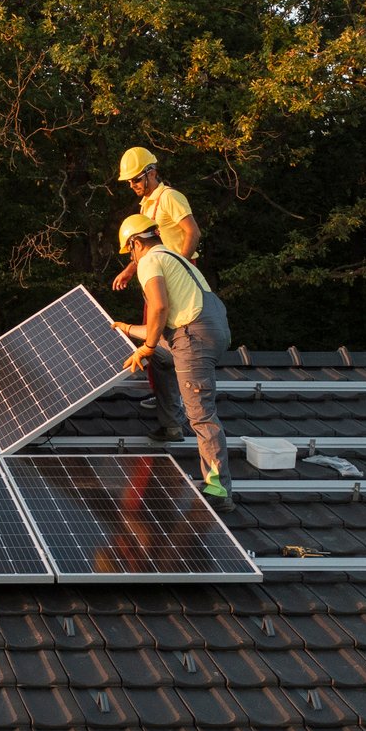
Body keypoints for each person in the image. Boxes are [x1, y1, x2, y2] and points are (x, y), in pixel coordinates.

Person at [112, 212, 232, 507]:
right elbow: (159, 325)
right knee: (163, 360)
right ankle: (170, 425)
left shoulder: (150, 260)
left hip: (194, 337)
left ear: (136, 243)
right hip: (203, 327)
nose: (133, 258)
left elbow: (160, 306)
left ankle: (219, 490)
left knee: (201, 414)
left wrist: (148, 346)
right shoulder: (172, 256)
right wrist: (127, 329)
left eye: (131, 251)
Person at [109, 147, 199, 293]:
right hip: (159, 272)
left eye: (136, 179)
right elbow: (144, 248)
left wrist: (180, 267)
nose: (132, 185)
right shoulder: (145, 206)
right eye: (129, 181)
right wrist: (129, 271)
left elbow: (193, 232)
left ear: (152, 173)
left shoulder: (169, 197)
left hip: (182, 270)